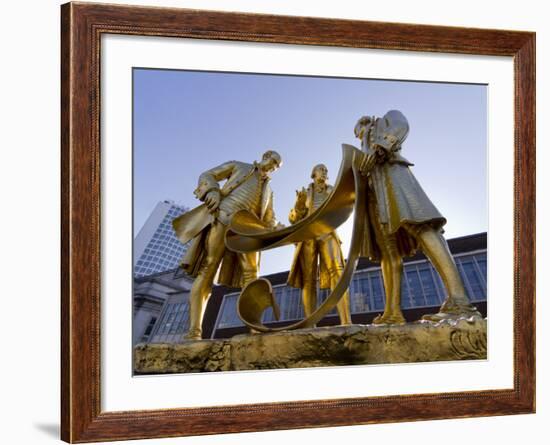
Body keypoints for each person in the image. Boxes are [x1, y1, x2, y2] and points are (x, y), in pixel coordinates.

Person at [354, 110, 480, 323]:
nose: (360, 132)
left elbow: (400, 123)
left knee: (422, 226)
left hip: (394, 178)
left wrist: (378, 149)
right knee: (387, 253)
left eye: (360, 127)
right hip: (374, 195)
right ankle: (392, 313)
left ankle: (459, 301)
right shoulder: (362, 148)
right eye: (358, 133)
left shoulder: (385, 120)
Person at [173, 150, 282, 339]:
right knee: (209, 267)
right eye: (272, 162)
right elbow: (208, 175)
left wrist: (275, 226)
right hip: (224, 217)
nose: (273, 168)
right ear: (265, 156)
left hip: (248, 231)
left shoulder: (269, 191)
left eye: (276, 167)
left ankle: (254, 328)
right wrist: (213, 191)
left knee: (252, 274)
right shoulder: (239, 166)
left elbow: (269, 217)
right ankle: (194, 331)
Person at [286, 164, 352, 326]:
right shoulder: (305, 192)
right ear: (313, 173)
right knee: (308, 280)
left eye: (326, 170)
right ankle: (310, 324)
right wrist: (298, 205)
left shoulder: (332, 189)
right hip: (308, 235)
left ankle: (346, 321)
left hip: (327, 231)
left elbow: (344, 206)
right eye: (321, 169)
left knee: (337, 271)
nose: (325, 171)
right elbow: (294, 219)